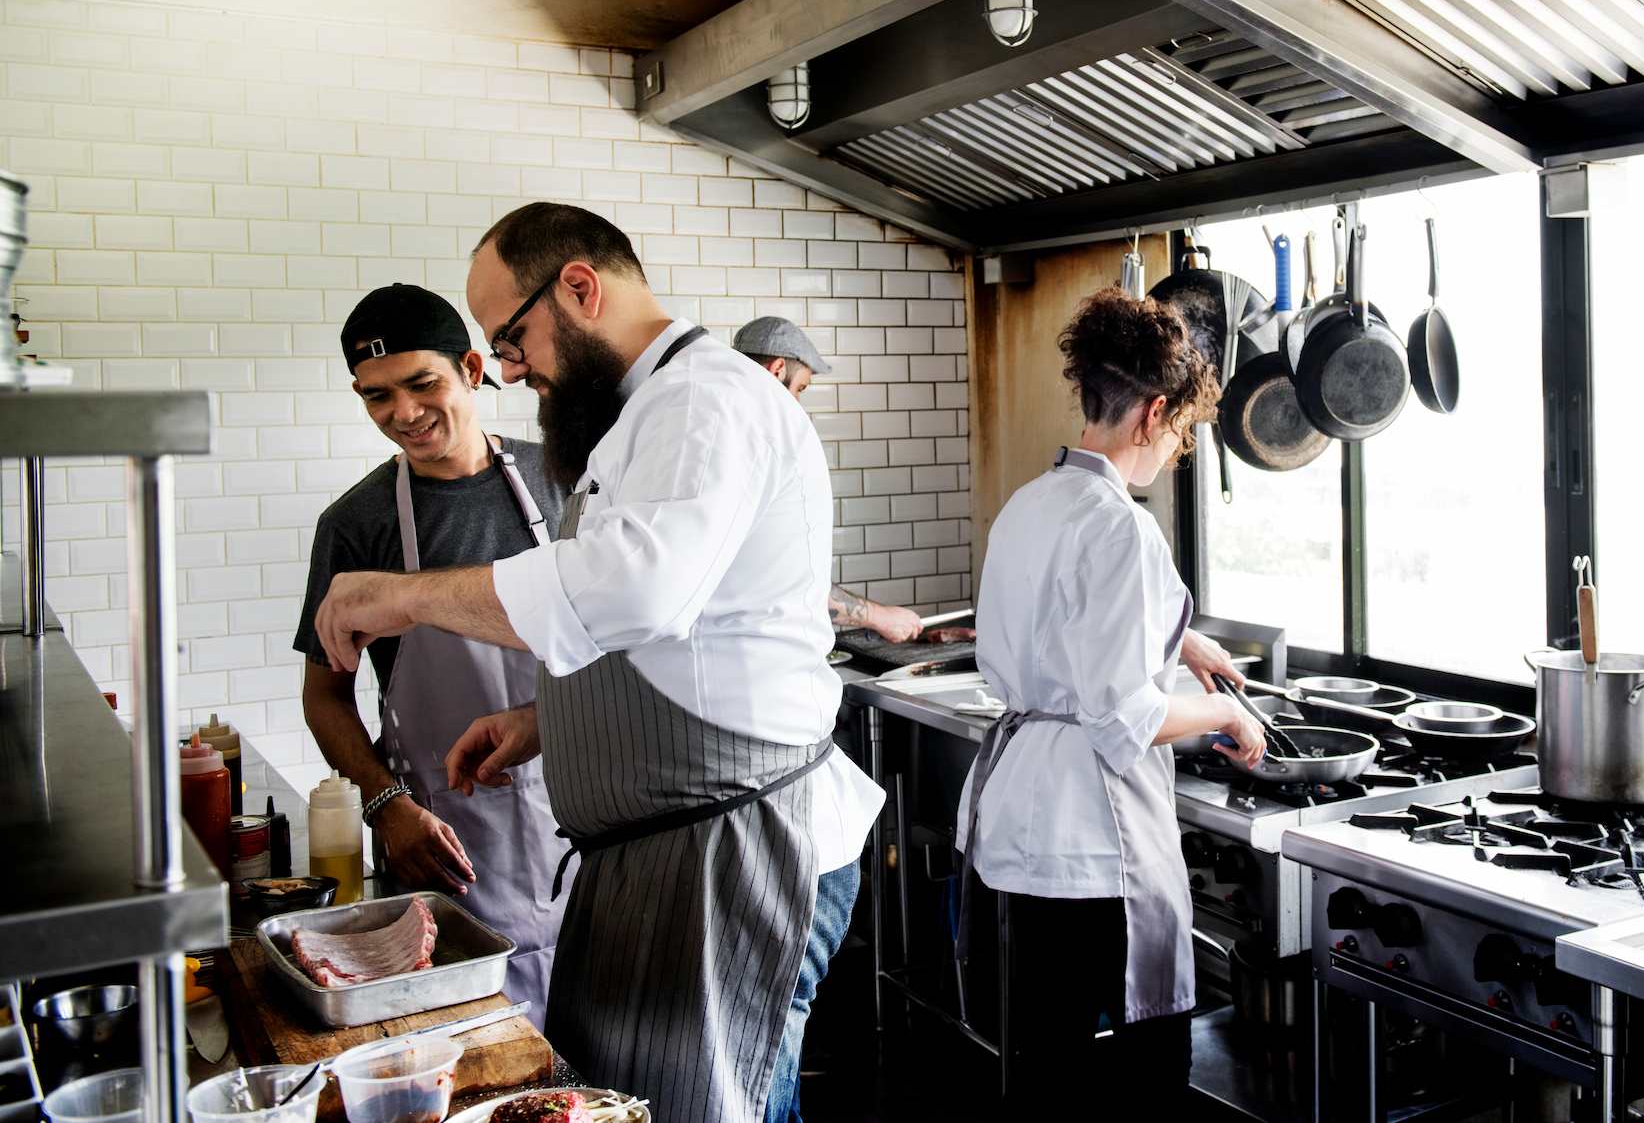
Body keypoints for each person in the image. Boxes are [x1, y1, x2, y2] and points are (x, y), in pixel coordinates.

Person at [310, 203, 881, 1123]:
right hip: (668, 855)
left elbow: (633, 592)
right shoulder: (646, 416)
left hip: (732, 849)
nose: (509, 368)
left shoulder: (706, 400)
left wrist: (405, 595)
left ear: (580, 287)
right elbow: (678, 634)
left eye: (513, 337)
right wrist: (549, 722)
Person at [955, 287, 1267, 1108]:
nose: (1175, 450)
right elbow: (1130, 716)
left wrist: (1176, 635)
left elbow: (1052, 639)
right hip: (1090, 850)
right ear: (1153, 412)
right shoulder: (1123, 526)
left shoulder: (1032, 502)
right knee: (1143, 1081)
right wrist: (1230, 714)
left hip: (1015, 829)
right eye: (1182, 433)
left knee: (1043, 1070)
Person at [295, 284, 566, 1018]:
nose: (404, 415)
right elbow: (324, 696)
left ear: (472, 369)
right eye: (376, 397)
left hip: (586, 820)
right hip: (449, 841)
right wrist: (387, 807)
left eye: (422, 384)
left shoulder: (566, 476)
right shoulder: (357, 523)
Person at [734, 314, 927, 645]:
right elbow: (787, 578)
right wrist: (879, 616)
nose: (797, 404)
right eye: (801, 389)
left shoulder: (726, 434)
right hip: (759, 657)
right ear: (777, 369)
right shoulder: (762, 449)